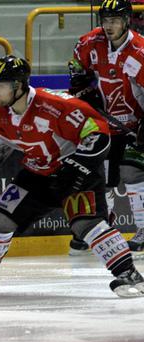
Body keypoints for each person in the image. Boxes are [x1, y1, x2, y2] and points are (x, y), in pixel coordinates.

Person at [0, 55, 144, 298]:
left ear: (18, 86)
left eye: (0, 85)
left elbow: (98, 134)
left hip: (76, 172)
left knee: (86, 224)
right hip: (38, 173)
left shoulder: (54, 105)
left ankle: (129, 274)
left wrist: (78, 165)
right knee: (0, 218)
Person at [69, 0, 144, 254]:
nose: (109, 25)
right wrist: (82, 87)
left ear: (127, 21)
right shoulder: (90, 42)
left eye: (115, 20)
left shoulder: (140, 51)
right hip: (103, 124)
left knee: (133, 173)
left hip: (135, 125)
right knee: (101, 179)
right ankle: (101, 229)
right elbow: (76, 68)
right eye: (105, 20)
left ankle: (143, 230)